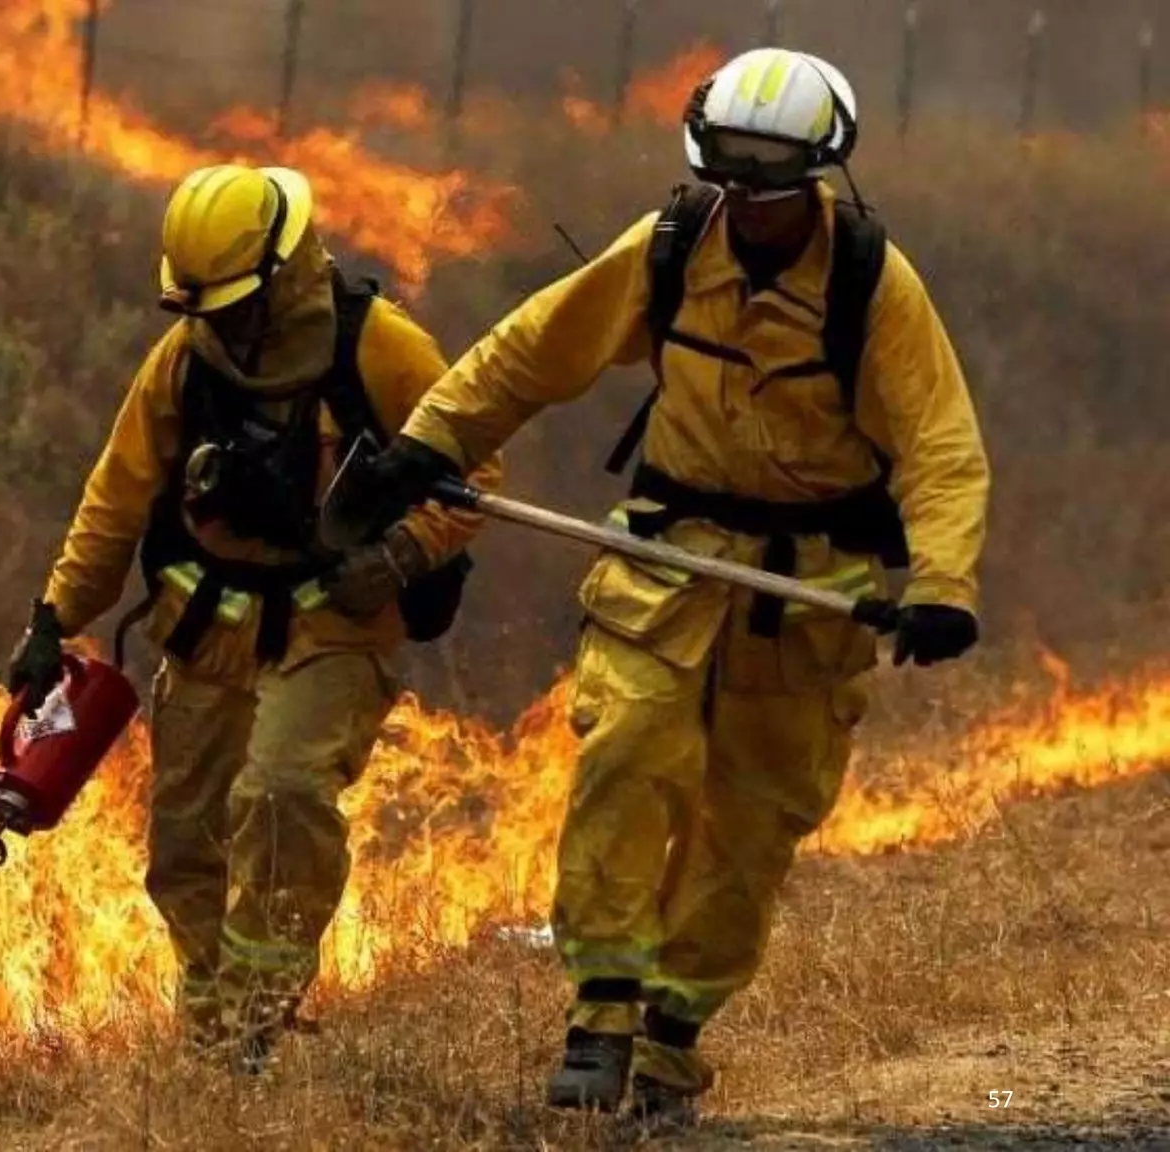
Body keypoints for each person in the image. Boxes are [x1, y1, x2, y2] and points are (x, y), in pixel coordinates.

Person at [323, 48, 990, 1125]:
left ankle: (672, 1043)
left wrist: (943, 583)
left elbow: (939, 448)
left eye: (768, 189)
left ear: (817, 178)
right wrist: (427, 440)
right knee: (627, 753)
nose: (746, 206)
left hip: (806, 592)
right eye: (729, 180)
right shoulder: (673, 246)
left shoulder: (871, 285)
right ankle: (599, 1013)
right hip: (663, 563)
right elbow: (530, 352)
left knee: (749, 823)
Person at [6, 163, 501, 1073]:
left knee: (280, 795)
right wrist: (55, 617)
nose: (221, 325)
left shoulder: (380, 349)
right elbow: (115, 500)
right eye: (204, 309)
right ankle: (214, 1046)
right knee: (185, 846)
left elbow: (475, 479)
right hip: (205, 630)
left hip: (334, 630)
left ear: (285, 273)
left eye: (235, 304)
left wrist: (398, 553)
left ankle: (256, 1020)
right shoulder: (187, 358)